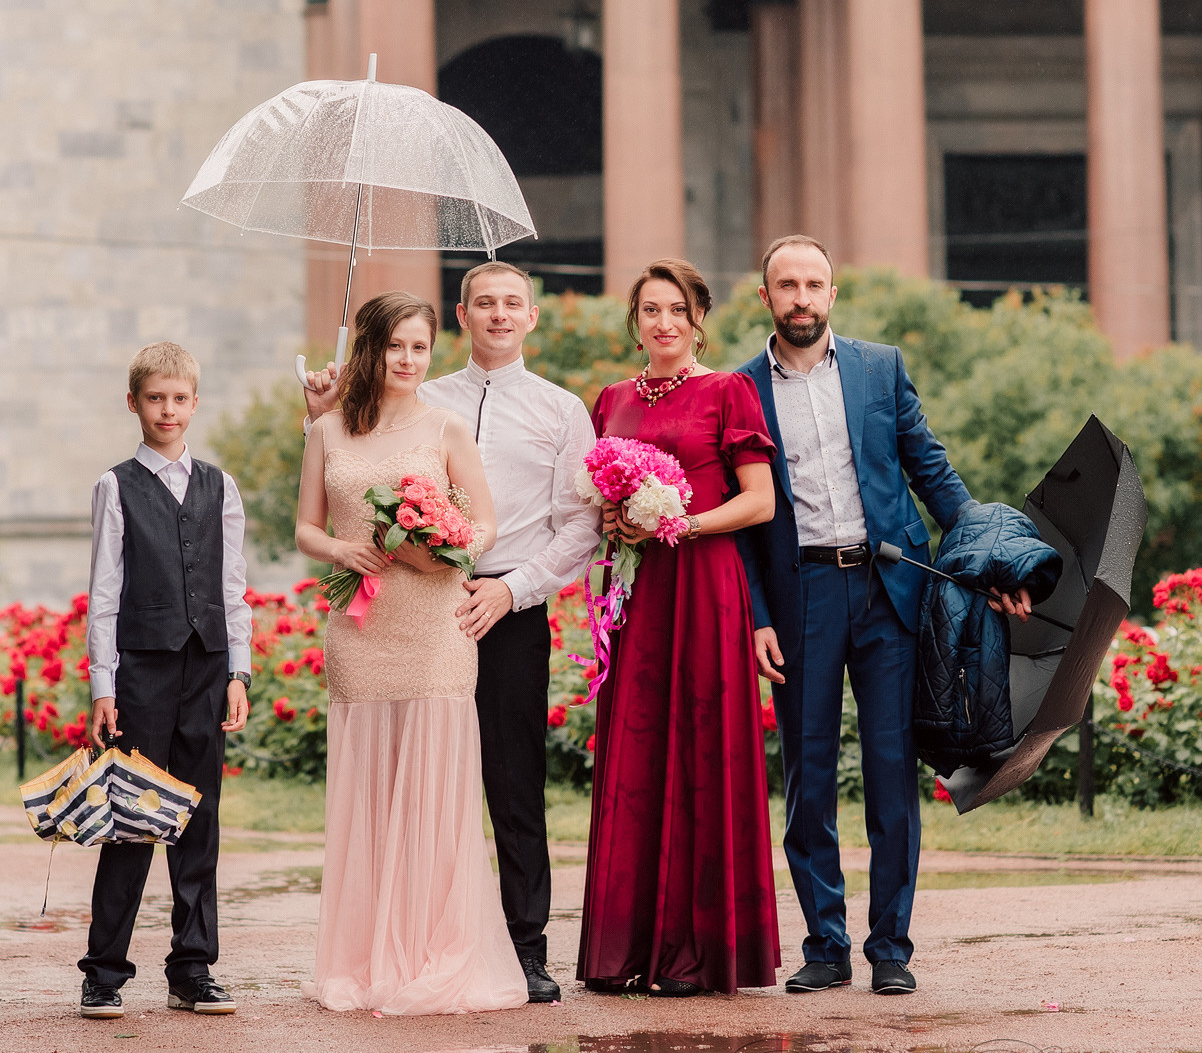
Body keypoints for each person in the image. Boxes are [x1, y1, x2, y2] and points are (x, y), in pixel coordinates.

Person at [738, 235, 1031, 997]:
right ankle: (825, 943)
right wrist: (758, 615)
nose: (802, 298)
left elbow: (930, 469)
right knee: (808, 776)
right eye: (787, 285)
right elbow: (741, 522)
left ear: (833, 294)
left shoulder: (879, 367)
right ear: (764, 296)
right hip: (800, 595)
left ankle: (890, 946)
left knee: (892, 773)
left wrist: (986, 561)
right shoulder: (739, 389)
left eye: (814, 284)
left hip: (888, 592)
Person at [304, 261, 600, 1003]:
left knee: (511, 784)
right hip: (412, 607)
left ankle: (525, 949)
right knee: (407, 783)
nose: (499, 314)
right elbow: (345, 466)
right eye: (484, 303)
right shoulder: (417, 397)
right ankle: (400, 940)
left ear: (532, 316)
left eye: (513, 303)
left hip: (508, 604)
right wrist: (319, 404)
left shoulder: (562, 410)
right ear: (461, 315)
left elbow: (578, 528)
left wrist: (509, 587)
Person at [295, 289, 526, 1016]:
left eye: (420, 347)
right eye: (395, 345)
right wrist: (342, 546)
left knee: (433, 788)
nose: (408, 359)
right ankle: (364, 959)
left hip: (434, 624)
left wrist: (448, 548)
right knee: (371, 790)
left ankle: (431, 951)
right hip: (362, 629)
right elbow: (304, 528)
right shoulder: (327, 431)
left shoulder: (448, 426)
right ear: (369, 348)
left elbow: (486, 522)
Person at [577, 258, 780, 996]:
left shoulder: (728, 391)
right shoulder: (611, 399)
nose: (663, 323)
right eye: (649, 311)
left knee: (701, 748)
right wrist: (613, 517)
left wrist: (683, 523)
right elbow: (599, 497)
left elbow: (758, 502)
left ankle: (697, 951)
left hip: (703, 584)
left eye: (676, 310)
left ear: (699, 319)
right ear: (635, 322)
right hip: (637, 592)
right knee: (636, 750)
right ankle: (624, 949)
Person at [79, 341, 252, 1020]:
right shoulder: (115, 486)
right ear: (134, 404)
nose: (168, 409)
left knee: (198, 819)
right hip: (142, 671)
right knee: (131, 816)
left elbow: (233, 587)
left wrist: (238, 670)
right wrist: (104, 685)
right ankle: (103, 971)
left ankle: (192, 967)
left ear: (195, 404)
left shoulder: (221, 486)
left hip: (207, 667)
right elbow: (104, 592)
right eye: (156, 398)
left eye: (180, 398)